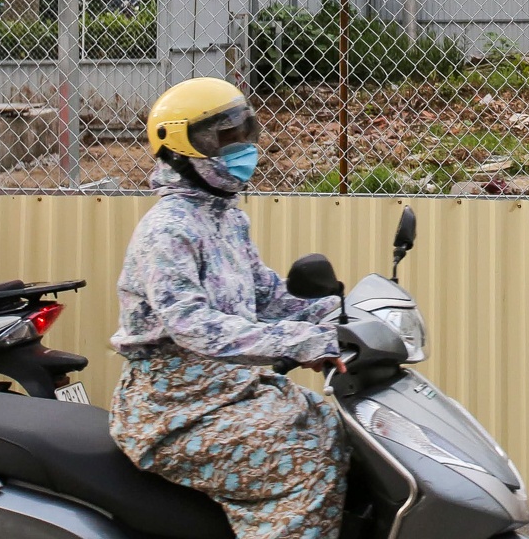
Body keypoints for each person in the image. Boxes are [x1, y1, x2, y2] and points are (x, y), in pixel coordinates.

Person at [109, 78, 349, 539]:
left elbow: (268, 297)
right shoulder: (168, 230)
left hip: (233, 390)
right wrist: (304, 342)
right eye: (222, 138)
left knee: (332, 426)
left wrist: (343, 315)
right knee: (303, 462)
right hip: (174, 409)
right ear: (180, 148)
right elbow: (192, 325)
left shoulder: (226, 217)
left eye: (243, 132)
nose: (239, 146)